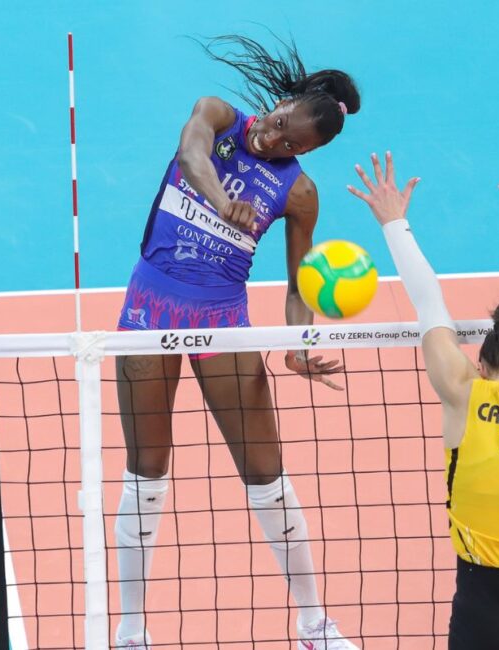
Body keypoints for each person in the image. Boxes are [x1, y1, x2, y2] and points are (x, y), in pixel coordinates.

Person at [113, 34, 359, 649]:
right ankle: (131, 630)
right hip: (149, 308)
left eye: (293, 144)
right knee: (146, 469)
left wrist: (300, 341)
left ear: (308, 152)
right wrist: (225, 204)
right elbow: (190, 154)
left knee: (265, 472)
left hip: (222, 321)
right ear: (278, 103)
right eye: (279, 125)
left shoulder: (299, 194)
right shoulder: (218, 115)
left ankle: (314, 623)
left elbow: (300, 286)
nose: (276, 141)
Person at [348, 143, 499, 649]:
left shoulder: (462, 394)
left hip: (482, 602)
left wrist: (393, 222)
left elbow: (428, 302)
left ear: (479, 366)